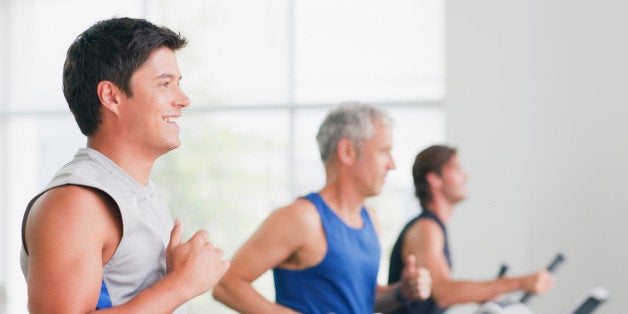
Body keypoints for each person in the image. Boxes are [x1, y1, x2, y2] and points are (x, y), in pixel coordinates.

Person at [19, 17, 229, 313]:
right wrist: (181, 284)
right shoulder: (75, 203)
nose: (183, 99)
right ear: (111, 96)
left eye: (178, 84)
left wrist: (174, 281)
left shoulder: (140, 191)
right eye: (165, 84)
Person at [213, 102, 432, 314]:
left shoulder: (369, 218)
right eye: (384, 151)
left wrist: (402, 292)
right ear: (347, 151)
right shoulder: (302, 217)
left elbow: (360, 300)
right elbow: (226, 284)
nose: (392, 164)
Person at [388, 145, 555, 314]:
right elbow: (444, 292)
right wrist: (519, 283)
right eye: (456, 169)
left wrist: (486, 292)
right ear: (434, 179)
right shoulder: (425, 228)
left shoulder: (434, 226)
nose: (465, 176)